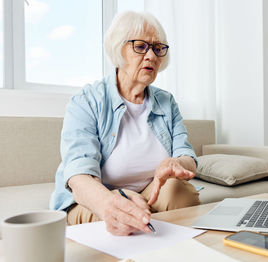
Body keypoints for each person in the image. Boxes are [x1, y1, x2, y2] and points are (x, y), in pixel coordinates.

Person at [49, 11, 200, 236]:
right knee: (123, 218)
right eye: (140, 47)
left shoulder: (166, 102)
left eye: (158, 48)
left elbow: (187, 157)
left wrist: (175, 164)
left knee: (179, 190)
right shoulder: (87, 100)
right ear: (119, 49)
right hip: (99, 198)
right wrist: (111, 204)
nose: (151, 56)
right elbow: (79, 177)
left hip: (150, 194)